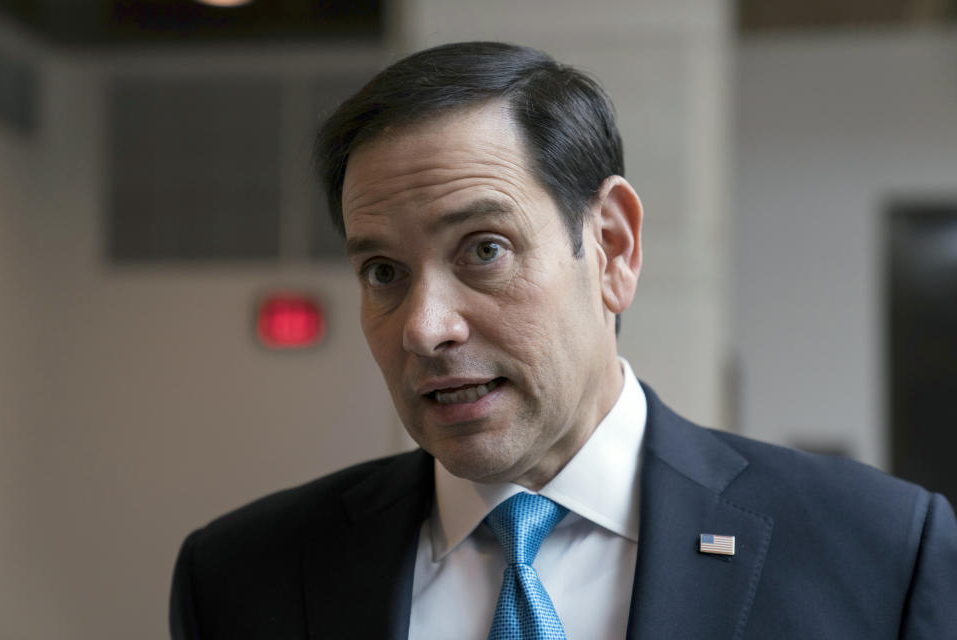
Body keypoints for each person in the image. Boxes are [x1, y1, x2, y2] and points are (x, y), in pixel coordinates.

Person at [170, 41, 957, 639]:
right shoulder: (243, 579)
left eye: (485, 249)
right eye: (383, 271)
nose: (423, 326)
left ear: (612, 248)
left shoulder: (878, 553)